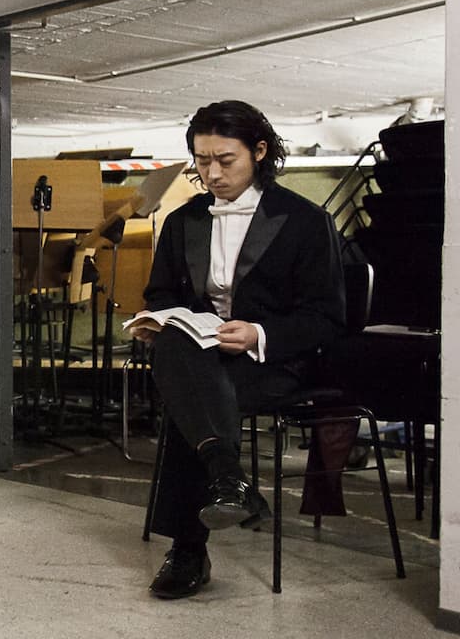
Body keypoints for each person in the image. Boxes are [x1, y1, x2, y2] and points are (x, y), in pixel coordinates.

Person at [132, 100, 344, 599]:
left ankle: (188, 549)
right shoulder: (184, 220)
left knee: (193, 395)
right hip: (202, 355)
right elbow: (162, 296)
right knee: (182, 355)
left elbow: (327, 318)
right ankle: (227, 477)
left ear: (260, 151)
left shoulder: (306, 221)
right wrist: (156, 319)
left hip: (272, 362)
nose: (211, 173)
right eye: (202, 161)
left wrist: (258, 334)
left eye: (225, 160)